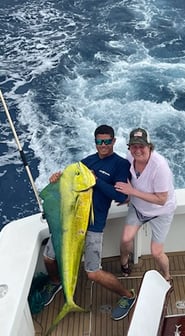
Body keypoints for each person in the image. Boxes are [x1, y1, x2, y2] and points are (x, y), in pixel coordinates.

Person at [41, 124, 136, 321]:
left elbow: (119, 195)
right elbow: (69, 183)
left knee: (93, 273)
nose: (103, 145)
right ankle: (56, 281)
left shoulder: (120, 165)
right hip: (70, 222)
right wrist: (57, 179)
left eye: (107, 141)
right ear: (95, 142)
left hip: (93, 225)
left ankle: (127, 296)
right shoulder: (86, 163)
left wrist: (96, 181)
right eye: (99, 141)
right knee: (49, 258)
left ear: (113, 141)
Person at [115, 128, 176, 282]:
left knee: (156, 252)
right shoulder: (130, 157)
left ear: (150, 146)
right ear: (129, 147)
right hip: (137, 207)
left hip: (160, 212)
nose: (137, 150)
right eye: (134, 146)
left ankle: (167, 275)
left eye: (141, 146)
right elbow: (126, 177)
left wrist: (132, 192)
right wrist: (127, 195)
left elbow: (161, 199)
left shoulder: (160, 167)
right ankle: (124, 264)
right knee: (125, 239)